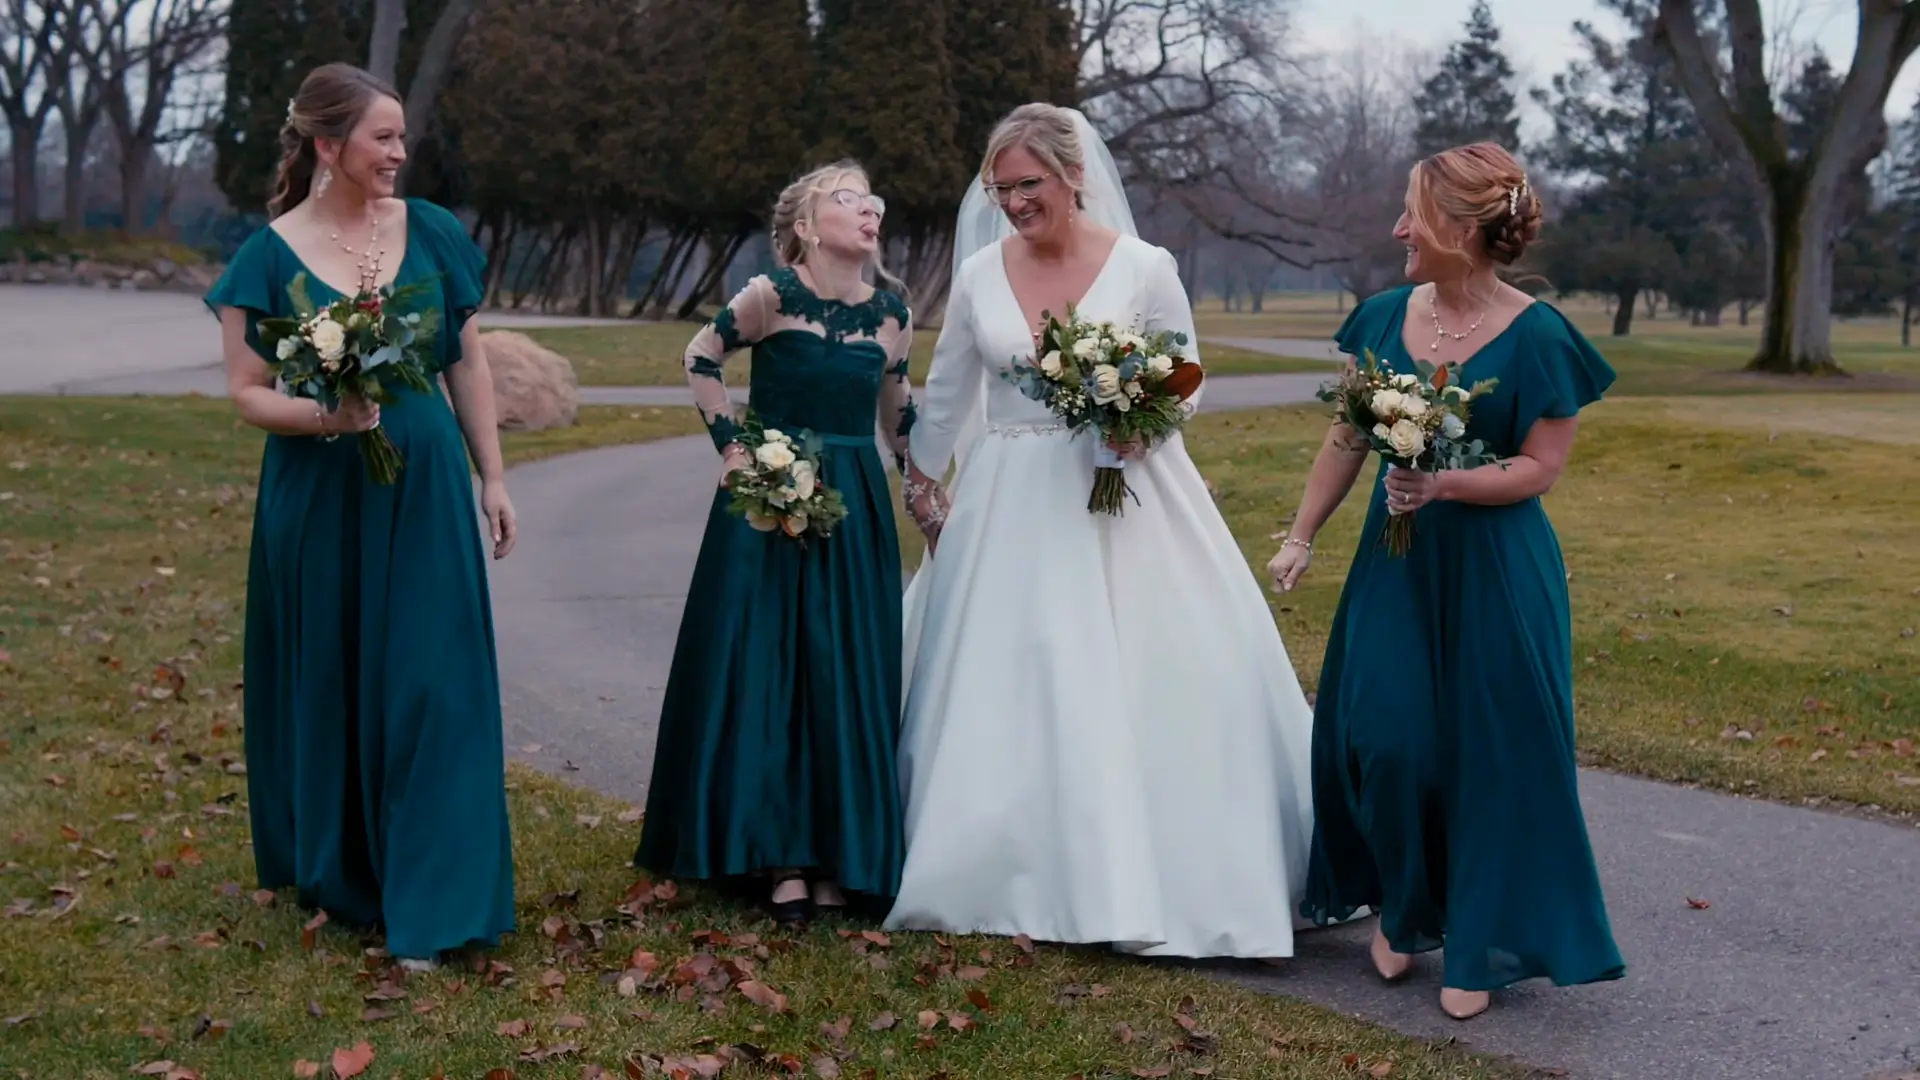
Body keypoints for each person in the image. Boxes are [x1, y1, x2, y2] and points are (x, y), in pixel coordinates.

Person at [884, 104, 1315, 959]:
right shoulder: (978, 276)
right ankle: (1000, 867)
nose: (1012, 202)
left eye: (1027, 184)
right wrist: (919, 479)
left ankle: (1162, 872)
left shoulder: (1146, 266)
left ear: (1073, 175)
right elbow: (947, 396)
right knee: (1017, 672)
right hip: (1010, 495)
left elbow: (1186, 371)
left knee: (1150, 666)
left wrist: (1145, 422)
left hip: (1129, 490)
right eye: (999, 188)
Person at [1268, 142, 1625, 1020]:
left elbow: (1541, 467)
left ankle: (1480, 942)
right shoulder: (1385, 314)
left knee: (1494, 758)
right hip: (1394, 564)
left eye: (1413, 216)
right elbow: (1348, 437)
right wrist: (1302, 534)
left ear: (1464, 230)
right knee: (1386, 738)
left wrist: (1447, 484)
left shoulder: (1540, 336)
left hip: (1499, 573)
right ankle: (1400, 901)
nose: (1397, 229)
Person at [205, 63, 517, 970]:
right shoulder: (265, 257)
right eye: (384, 138)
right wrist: (328, 416)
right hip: (319, 494)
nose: (400, 153)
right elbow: (246, 393)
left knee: (434, 681)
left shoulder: (434, 232)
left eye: (402, 137)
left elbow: (467, 362)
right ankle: (353, 877)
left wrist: (492, 476)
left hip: (423, 486)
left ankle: (436, 897)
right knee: (340, 677)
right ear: (328, 147)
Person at [633, 162, 917, 924]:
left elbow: (898, 413)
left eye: (873, 200)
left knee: (842, 667)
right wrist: (734, 450)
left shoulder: (892, 314)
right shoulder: (769, 296)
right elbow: (699, 358)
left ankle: (837, 855)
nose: (868, 211)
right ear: (804, 225)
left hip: (853, 501)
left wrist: (920, 485)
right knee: (769, 664)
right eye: (848, 199)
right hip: (772, 495)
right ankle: (778, 854)